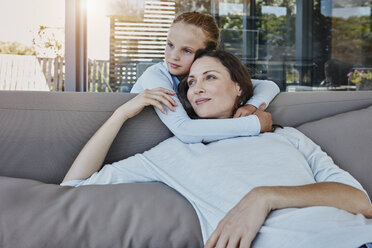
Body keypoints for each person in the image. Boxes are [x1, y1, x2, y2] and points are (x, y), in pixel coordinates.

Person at [61, 50, 372, 248]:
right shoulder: (174, 152)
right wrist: (121, 114)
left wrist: (265, 197)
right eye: (191, 82)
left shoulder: (286, 136)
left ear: (239, 88)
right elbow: (74, 185)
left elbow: (359, 201)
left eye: (210, 77)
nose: (196, 87)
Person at [130, 11, 280, 143]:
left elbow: (268, 85)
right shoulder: (156, 76)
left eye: (186, 50)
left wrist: (251, 106)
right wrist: (255, 124)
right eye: (170, 45)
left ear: (209, 52)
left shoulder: (202, 77)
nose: (173, 56)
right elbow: (184, 130)